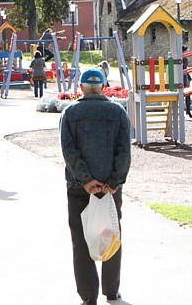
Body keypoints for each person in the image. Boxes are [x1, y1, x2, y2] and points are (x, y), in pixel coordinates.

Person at [60, 69, 132, 305]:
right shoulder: (117, 112)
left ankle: (88, 296)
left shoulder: (70, 112)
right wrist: (114, 181)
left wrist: (85, 179)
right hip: (110, 188)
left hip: (79, 187)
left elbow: (69, 152)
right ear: (103, 86)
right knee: (111, 234)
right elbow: (124, 152)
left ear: (81, 87)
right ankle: (112, 290)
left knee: (80, 240)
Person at [182, 44, 192, 118]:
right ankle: (182, 111)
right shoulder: (180, 59)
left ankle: (188, 111)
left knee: (188, 94)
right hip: (181, 77)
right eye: (186, 51)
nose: (187, 53)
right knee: (181, 94)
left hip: (185, 76)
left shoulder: (185, 59)